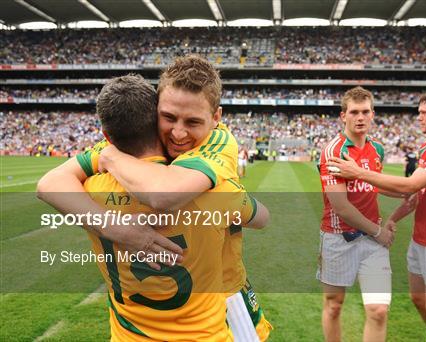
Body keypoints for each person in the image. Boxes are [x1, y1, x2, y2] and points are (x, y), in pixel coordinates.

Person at [39, 56, 272, 341]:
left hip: (203, 302)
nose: (178, 132)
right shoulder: (217, 193)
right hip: (210, 310)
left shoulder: (99, 172)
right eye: (169, 117)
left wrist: (110, 159)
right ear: (153, 112)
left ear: (216, 118)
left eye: (193, 122)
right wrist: (117, 227)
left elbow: (53, 182)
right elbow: (260, 217)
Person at [327, 87, 426, 342]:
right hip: (420, 240)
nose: (419, 117)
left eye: (424, 112)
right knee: (418, 300)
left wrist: (358, 172)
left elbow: (410, 186)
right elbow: (417, 196)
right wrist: (393, 218)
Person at [317, 86, 396, 342]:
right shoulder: (334, 152)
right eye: (354, 112)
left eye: (365, 112)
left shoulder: (378, 150)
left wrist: (410, 192)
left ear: (373, 114)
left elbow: (377, 185)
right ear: (343, 116)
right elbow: (341, 207)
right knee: (334, 305)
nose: (360, 117)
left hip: (373, 242)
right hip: (339, 238)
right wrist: (378, 232)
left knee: (378, 310)